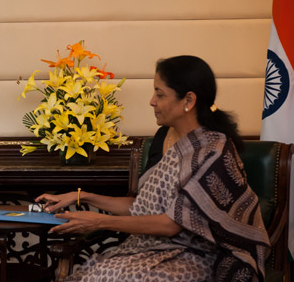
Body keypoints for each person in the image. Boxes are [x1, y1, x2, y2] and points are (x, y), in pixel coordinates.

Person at [36, 55, 269, 282]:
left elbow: (170, 224)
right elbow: (140, 207)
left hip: (194, 256)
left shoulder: (212, 151)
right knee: (98, 273)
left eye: (160, 94)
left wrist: (99, 221)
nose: (152, 101)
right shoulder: (164, 138)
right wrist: (81, 196)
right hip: (147, 249)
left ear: (188, 101)